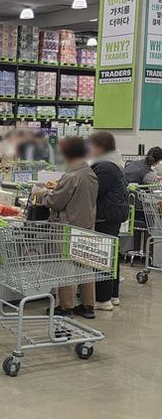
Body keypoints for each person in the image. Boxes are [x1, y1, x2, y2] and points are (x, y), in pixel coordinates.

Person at [40, 137, 99, 319]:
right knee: (85, 265)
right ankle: (88, 305)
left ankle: (66, 306)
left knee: (64, 266)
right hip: (86, 225)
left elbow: (56, 202)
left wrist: (44, 195)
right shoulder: (90, 173)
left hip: (67, 228)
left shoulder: (71, 176)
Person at [87, 132, 129, 311]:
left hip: (105, 216)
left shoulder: (105, 166)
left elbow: (93, 191)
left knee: (101, 257)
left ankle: (102, 299)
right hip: (112, 216)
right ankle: (112, 295)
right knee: (111, 256)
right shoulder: (113, 163)